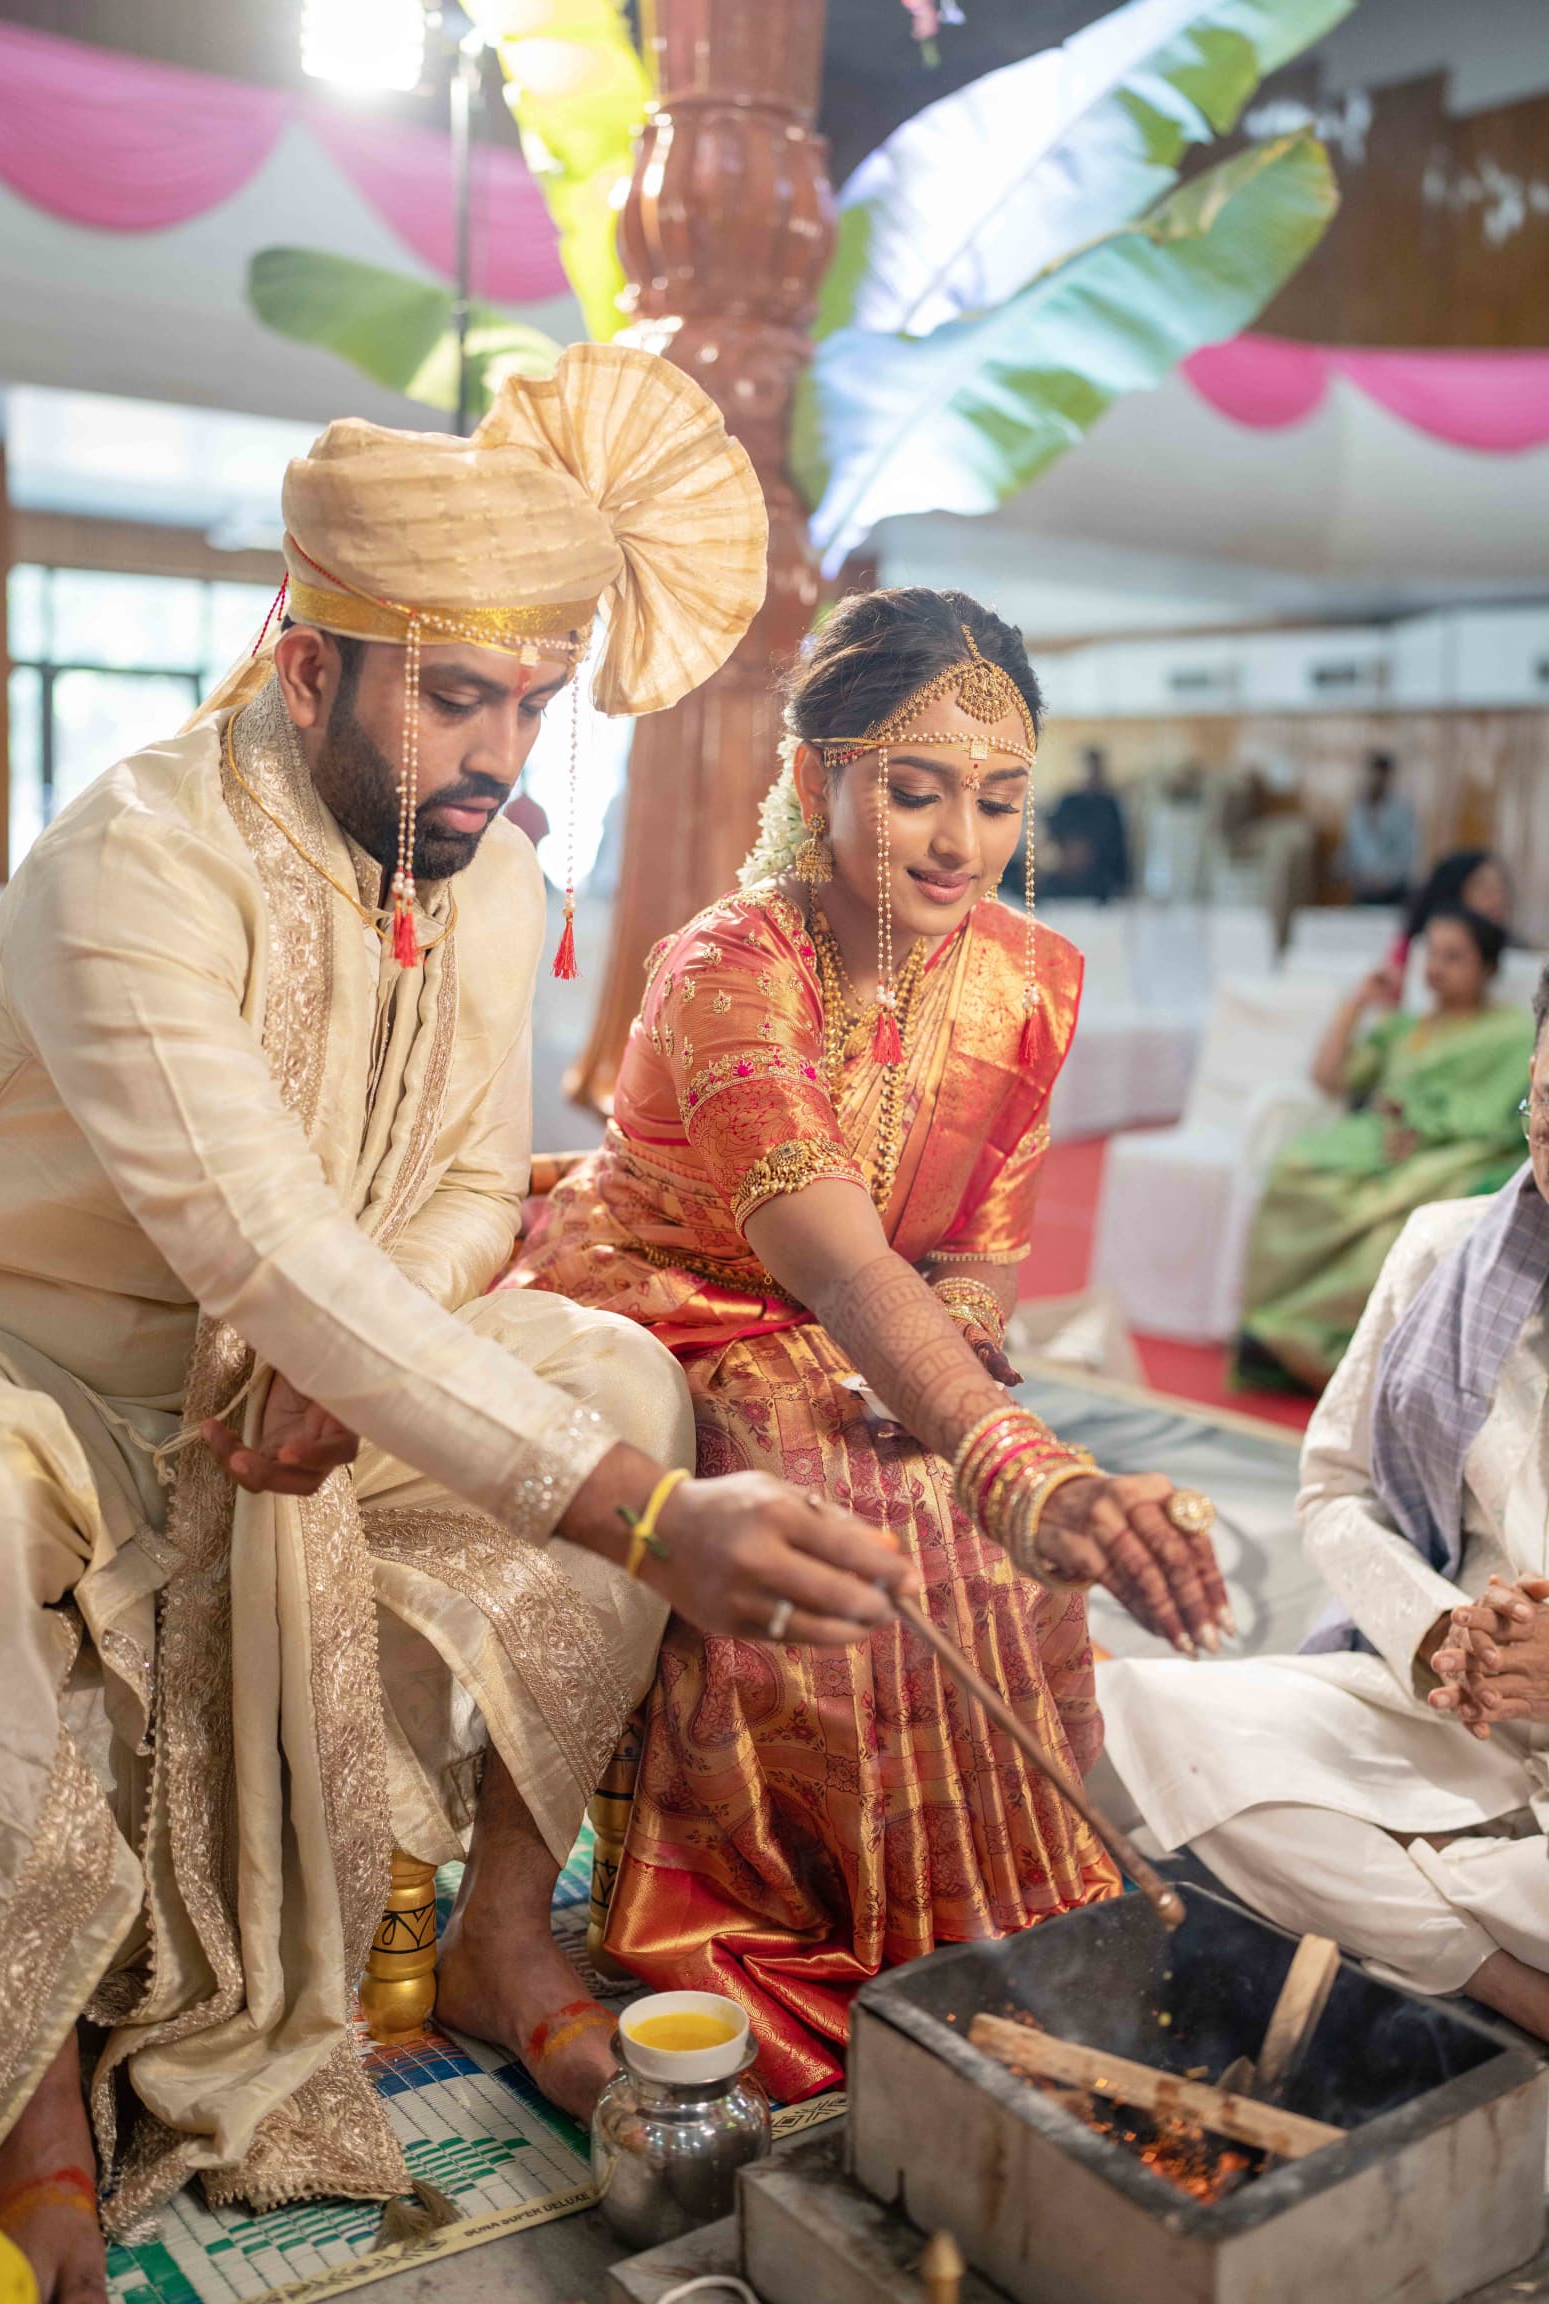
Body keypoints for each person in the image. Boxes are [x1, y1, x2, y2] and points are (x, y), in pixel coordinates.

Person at [0, 345, 918, 2304]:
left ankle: (496, 1932)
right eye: (455, 695)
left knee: (614, 1367)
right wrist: (646, 1519)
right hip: (36, 1380)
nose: (500, 749)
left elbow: (477, 1184)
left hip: (305, 1362)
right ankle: (21, 2103)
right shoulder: (135, 862)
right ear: (309, 667)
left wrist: (360, 1347)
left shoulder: (485, 874)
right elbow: (259, 1247)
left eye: (534, 701)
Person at [508, 588, 1229, 2099]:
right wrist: (1009, 1463)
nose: (960, 841)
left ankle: (978, 1931)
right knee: (835, 1480)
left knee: (958, 1504)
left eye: (997, 800)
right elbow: (831, 1257)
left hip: (869, 1322)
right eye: (915, 791)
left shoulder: (1030, 978)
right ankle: (778, 1914)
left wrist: (959, 1362)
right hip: (679, 1295)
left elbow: (976, 1256)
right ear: (814, 774)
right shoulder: (727, 965)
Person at [1101, 965, 1549, 2044]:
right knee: (1150, 1717)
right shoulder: (1445, 1251)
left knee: (1207, 1825)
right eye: (1546, 1109)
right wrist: (1439, 1628)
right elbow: (1334, 1488)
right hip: (1454, 1712)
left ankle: (1408, 1893)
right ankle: (1503, 1973)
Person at [1238, 906, 1531, 1393]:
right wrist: (1356, 1004)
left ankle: (1318, 1346)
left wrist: (1423, 1123)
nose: (1436, 967)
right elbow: (1328, 1078)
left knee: (1392, 1220)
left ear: (1487, 968)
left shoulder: (1512, 1033)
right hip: (1382, 1145)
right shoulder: (1406, 1027)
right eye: (1432, 953)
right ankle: (1274, 1330)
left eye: (1454, 957)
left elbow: (1503, 1113)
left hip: (1454, 1153)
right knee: (1295, 1170)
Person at [1043, 746, 1130, 903]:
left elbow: (1119, 847)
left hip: (1099, 884)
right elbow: (1050, 837)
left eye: (1094, 768)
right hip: (1066, 882)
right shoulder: (1067, 803)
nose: (1090, 774)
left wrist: (1123, 883)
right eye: (1086, 768)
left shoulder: (1109, 805)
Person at [1338, 750, 1418, 908]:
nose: (1376, 780)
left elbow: (1408, 849)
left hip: (1392, 888)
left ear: (1388, 777)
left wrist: (1387, 877)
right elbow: (1351, 844)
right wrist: (1345, 870)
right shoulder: (1358, 808)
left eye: (1381, 775)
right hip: (1363, 886)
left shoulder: (1402, 808)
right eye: (1373, 774)